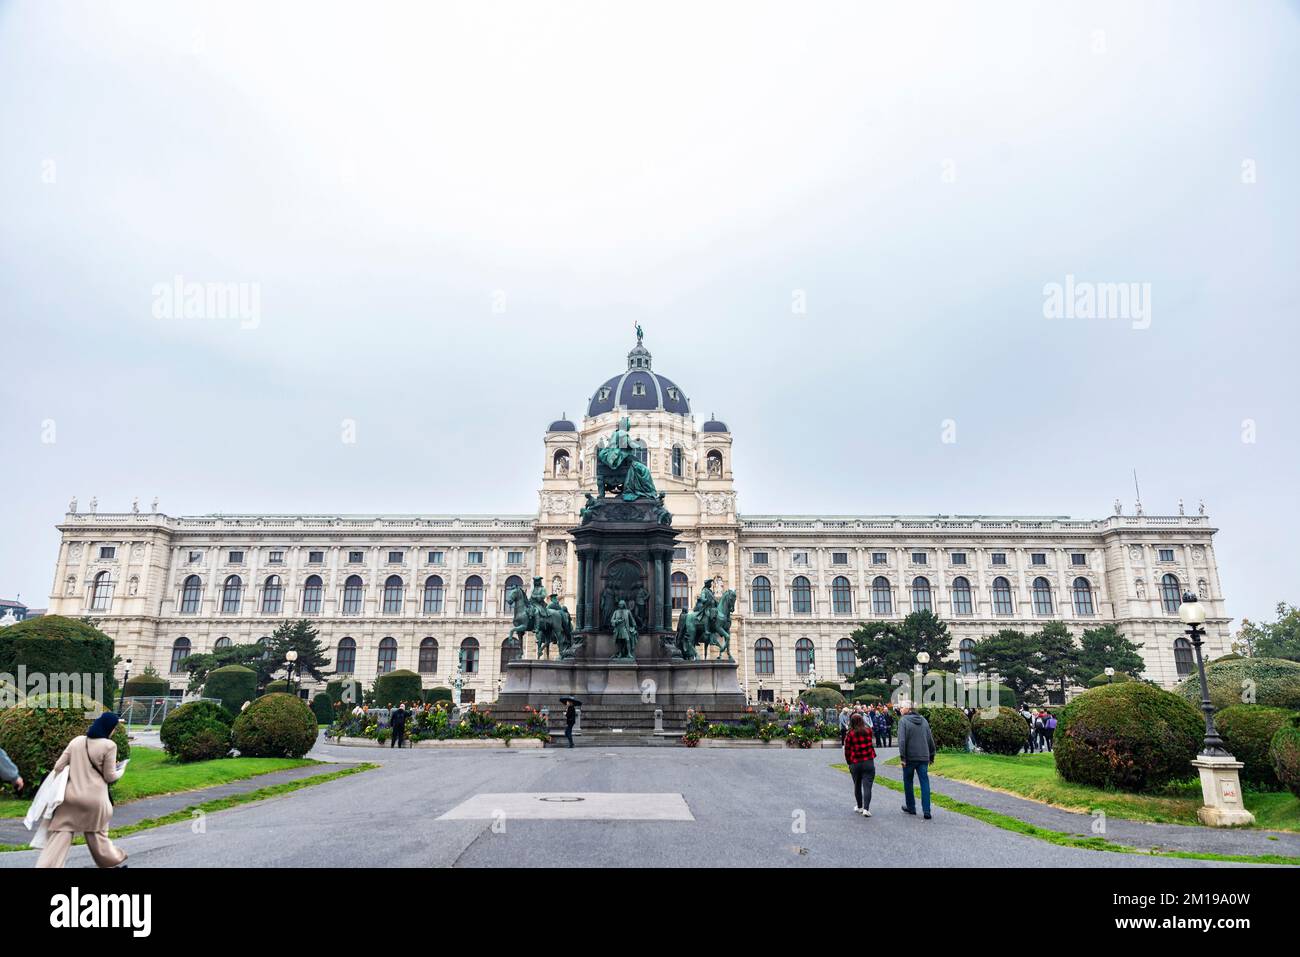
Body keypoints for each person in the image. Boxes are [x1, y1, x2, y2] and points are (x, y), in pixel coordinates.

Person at [35, 712, 129, 868]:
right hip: (95, 800)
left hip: (69, 799)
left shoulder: (77, 741)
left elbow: (58, 766)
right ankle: (113, 862)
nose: (114, 732)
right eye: (114, 728)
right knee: (97, 835)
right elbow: (109, 777)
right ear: (109, 728)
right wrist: (122, 769)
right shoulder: (109, 746)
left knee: (60, 837)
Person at [897, 703, 935, 820]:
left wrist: (902, 757)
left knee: (908, 781)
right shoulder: (923, 720)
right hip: (923, 756)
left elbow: (901, 740)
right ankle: (926, 810)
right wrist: (932, 755)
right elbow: (930, 738)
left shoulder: (903, 721)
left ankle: (911, 807)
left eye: (902, 707)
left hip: (909, 758)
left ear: (908, 709)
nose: (900, 709)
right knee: (925, 782)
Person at [843, 713, 876, 817]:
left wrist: (849, 762)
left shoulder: (850, 734)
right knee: (867, 786)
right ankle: (866, 809)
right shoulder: (868, 731)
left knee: (857, 785)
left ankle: (859, 806)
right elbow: (870, 744)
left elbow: (847, 750)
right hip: (868, 761)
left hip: (855, 762)